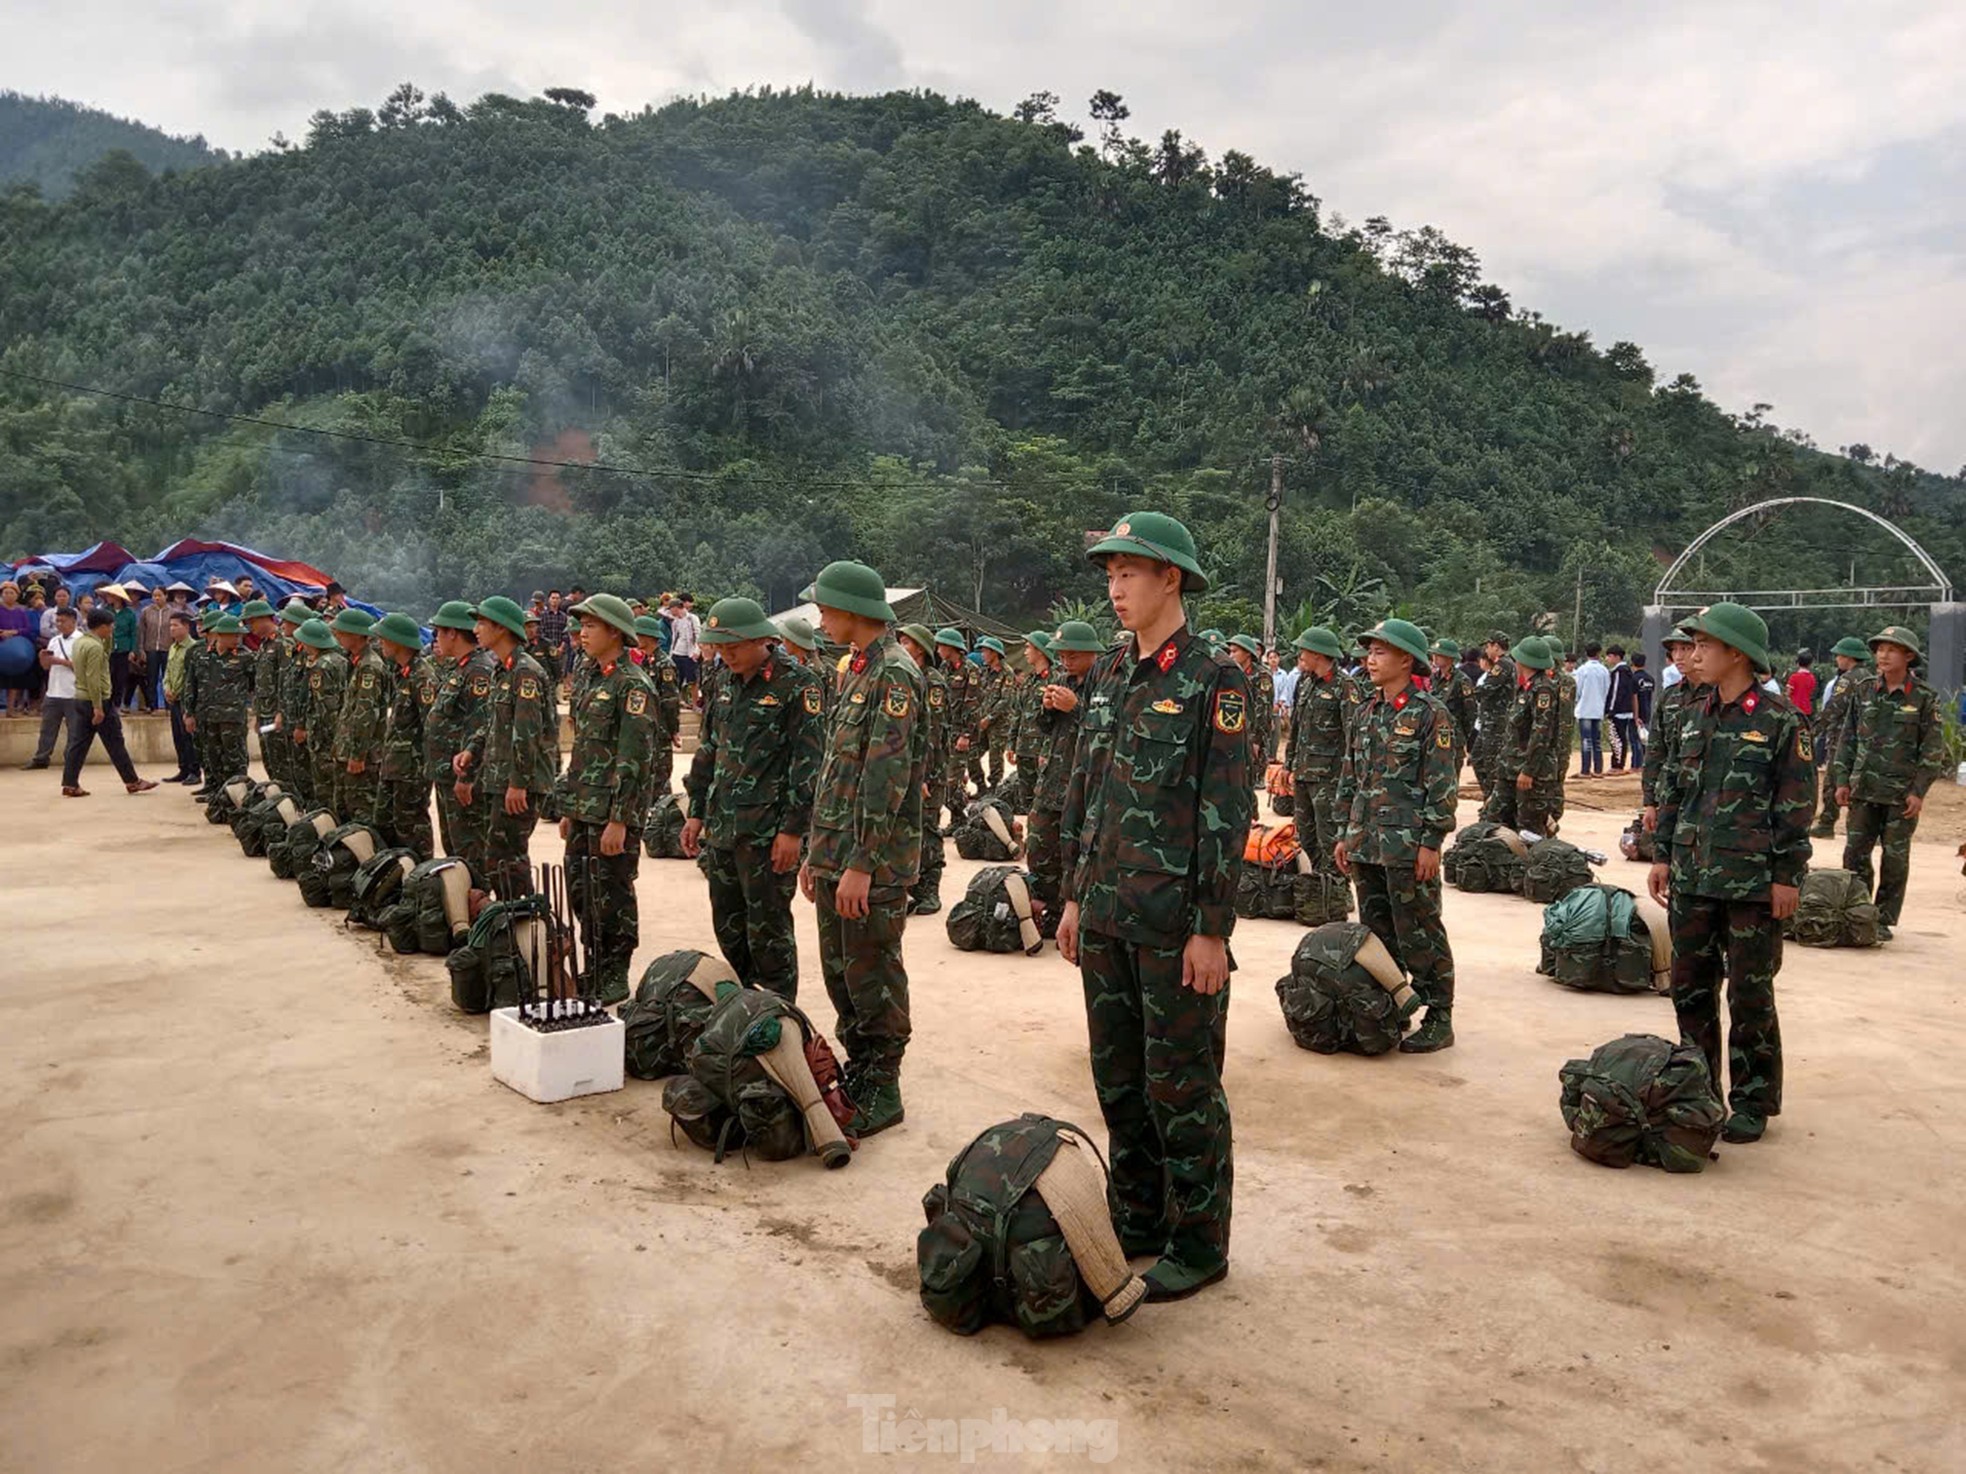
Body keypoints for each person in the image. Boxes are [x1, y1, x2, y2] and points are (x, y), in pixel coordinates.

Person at [1056, 512, 1249, 1304]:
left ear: (1171, 578)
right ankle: (1137, 1217)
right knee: (1120, 1080)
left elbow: (1225, 811)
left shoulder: (1214, 679)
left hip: (1174, 925)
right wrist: (1072, 895)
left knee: (1184, 1086)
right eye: (1109, 573)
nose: (1115, 585)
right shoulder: (1106, 675)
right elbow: (1088, 794)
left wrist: (1211, 927)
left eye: (1130, 571)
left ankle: (1200, 1242)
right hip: (1105, 914)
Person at [1650, 602, 1814, 1144]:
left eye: (1704, 646)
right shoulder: (1692, 713)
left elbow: (1795, 807)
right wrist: (1663, 854)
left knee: (1749, 993)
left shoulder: (1780, 720)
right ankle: (1700, 1088)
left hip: (1751, 883)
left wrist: (1787, 875)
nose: (1692, 655)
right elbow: (1675, 789)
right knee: (1691, 989)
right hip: (1693, 877)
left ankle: (1753, 1099)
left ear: (1736, 652)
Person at [797, 562, 928, 1138]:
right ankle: (861, 1070)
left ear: (854, 608)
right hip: (838, 857)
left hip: (870, 865)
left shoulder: (895, 675)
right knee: (840, 973)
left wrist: (859, 865)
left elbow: (885, 780)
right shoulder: (855, 669)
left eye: (826, 606)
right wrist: (817, 854)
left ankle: (885, 1083)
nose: (820, 617)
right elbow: (836, 776)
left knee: (872, 972)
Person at [682, 597, 823, 997]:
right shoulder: (722, 681)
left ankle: (778, 1012)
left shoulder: (798, 684)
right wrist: (695, 812)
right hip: (724, 828)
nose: (726, 655)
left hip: (767, 834)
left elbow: (808, 762)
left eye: (734, 647)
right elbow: (708, 749)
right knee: (727, 924)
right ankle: (746, 1006)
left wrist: (794, 831)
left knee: (770, 933)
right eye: (720, 647)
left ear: (762, 639)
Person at [1335, 619, 1461, 1053]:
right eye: (1369, 651)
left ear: (1407, 659)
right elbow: (1350, 777)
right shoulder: (1365, 711)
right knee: (1376, 932)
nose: (1369, 659)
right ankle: (1392, 1004)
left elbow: (1442, 783)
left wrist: (1432, 841)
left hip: (1408, 847)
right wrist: (1344, 834)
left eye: (1380, 652)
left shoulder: (1431, 714)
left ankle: (1439, 1016)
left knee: (1420, 931)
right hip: (1367, 842)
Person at [542, 595, 656, 1003]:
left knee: (613, 894)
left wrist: (620, 820)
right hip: (585, 808)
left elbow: (634, 761)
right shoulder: (589, 676)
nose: (582, 633)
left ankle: (614, 971)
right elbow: (582, 752)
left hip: (612, 813)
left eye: (591, 626)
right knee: (581, 890)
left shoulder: (633, 684)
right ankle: (595, 963)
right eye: (581, 626)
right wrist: (570, 808)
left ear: (614, 632)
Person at [1832, 626, 1945, 942]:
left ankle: (1882, 919)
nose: (1882, 655)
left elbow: (1932, 750)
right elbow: (1848, 738)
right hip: (1863, 791)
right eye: (1879, 649)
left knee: (1895, 860)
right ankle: (1856, 911)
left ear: (1908, 656)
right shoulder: (1865, 690)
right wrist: (1841, 780)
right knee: (1854, 855)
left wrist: (1919, 791)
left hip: (1899, 796)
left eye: (1891, 649)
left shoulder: (1924, 698)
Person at [458, 596, 559, 899]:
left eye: (482, 623)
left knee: (507, 858)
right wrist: (472, 751)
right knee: (499, 857)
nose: (475, 629)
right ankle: (508, 924)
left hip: (517, 783)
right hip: (499, 778)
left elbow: (526, 734)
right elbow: (493, 724)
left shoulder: (525, 672)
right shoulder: (502, 670)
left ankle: (524, 928)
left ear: (500, 628)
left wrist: (518, 783)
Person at [1283, 625, 1359, 882]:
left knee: (1329, 835)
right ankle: (1318, 886)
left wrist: (1351, 776)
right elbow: (1296, 726)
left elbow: (1353, 736)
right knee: (1305, 834)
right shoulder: (1306, 682)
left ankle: (1336, 888)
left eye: (1304, 650)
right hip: (1303, 771)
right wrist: (1288, 764)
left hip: (1329, 776)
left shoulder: (1345, 686)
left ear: (1318, 653)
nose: (1300, 655)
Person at [426, 601, 494, 880]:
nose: (436, 639)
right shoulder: (460, 668)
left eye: (439, 632)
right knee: (455, 849)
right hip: (446, 773)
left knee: (470, 849)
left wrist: (466, 776)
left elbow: (479, 726)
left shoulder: (478, 671)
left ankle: (477, 908)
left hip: (462, 776)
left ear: (453, 633)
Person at [61, 608, 157, 797]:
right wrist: (98, 707)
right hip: (97, 701)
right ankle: (132, 781)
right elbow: (93, 678)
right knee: (115, 742)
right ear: (102, 626)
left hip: (80, 698)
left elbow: (105, 653)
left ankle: (70, 783)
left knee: (78, 743)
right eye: (111, 627)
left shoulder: (81, 642)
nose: (112, 630)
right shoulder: (94, 647)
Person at [367, 613, 436, 859]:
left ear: (397, 641)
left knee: (412, 826)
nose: (380, 644)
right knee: (383, 822)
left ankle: (422, 875)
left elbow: (432, 725)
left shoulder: (422, 676)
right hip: (394, 764)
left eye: (384, 639)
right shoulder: (402, 672)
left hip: (412, 768)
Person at [1481, 635, 1565, 836]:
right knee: (1494, 822)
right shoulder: (1524, 688)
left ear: (1525, 661)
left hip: (1529, 773)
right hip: (1510, 770)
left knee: (1529, 830)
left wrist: (1529, 770)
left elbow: (1541, 732)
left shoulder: (1543, 689)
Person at [894, 624, 950, 916]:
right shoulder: (909, 675)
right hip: (912, 769)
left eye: (907, 641)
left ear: (921, 648)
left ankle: (931, 892)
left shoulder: (933, 682)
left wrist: (924, 776)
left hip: (931, 771)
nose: (902, 644)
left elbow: (932, 733)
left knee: (928, 830)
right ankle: (914, 888)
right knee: (909, 830)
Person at [330, 609, 388, 826]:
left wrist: (358, 753)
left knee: (361, 812)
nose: (337, 635)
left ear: (356, 634)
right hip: (347, 750)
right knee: (344, 808)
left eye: (342, 632)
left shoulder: (369, 667)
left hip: (362, 755)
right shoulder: (354, 662)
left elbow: (366, 714)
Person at [183, 612, 254, 786]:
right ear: (219, 634)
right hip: (207, 715)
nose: (237, 639)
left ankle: (238, 793)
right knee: (211, 755)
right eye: (233, 635)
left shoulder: (246, 657)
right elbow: (191, 684)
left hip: (232, 717)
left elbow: (254, 684)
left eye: (239, 635)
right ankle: (217, 791)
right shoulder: (201, 655)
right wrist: (189, 712)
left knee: (235, 757)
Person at [1810, 637, 1871, 838]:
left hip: (1841, 737)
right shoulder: (1870, 678)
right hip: (1863, 739)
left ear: (1848, 658)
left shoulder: (1848, 679)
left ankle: (1827, 824)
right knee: (1860, 782)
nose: (1837, 659)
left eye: (1839, 655)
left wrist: (1813, 731)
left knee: (1833, 781)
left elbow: (1834, 708)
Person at [1641, 628, 1699, 833]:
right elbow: (1655, 751)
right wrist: (1650, 802)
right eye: (1675, 650)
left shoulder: (1718, 697)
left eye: (1686, 648)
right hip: (1670, 796)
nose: (1678, 656)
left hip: (1702, 800)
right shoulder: (1668, 697)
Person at [293, 618, 349, 812]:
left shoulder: (320, 667)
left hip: (324, 736)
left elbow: (324, 706)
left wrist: (323, 736)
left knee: (325, 788)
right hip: (340, 732)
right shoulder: (340, 660)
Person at [629, 615, 683, 798]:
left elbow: (670, 700)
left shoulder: (664, 664)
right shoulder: (646, 661)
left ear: (647, 636)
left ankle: (664, 818)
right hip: (647, 727)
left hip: (661, 729)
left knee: (661, 775)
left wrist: (673, 729)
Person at [23, 603, 80, 771]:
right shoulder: (54, 640)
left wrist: (58, 661)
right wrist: (43, 658)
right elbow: (46, 667)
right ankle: (41, 758)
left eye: (63, 621)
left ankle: (72, 760)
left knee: (74, 730)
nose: (59, 624)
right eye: (58, 621)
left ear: (73, 621)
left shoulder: (81, 641)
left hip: (73, 692)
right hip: (53, 691)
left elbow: (81, 667)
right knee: (47, 728)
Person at [934, 628, 978, 827]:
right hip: (943, 731)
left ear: (952, 647)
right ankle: (957, 819)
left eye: (942, 645)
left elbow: (973, 704)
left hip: (960, 732)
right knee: (943, 779)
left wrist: (966, 735)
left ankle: (960, 818)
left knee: (952, 781)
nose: (938, 649)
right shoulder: (944, 668)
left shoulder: (970, 670)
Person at [1470, 629, 1517, 798]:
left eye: (1488, 646)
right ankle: (1489, 796)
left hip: (1496, 721)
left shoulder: (1503, 665)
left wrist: (1469, 693)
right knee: (1477, 757)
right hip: (1489, 721)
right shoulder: (1503, 664)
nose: (1486, 651)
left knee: (1491, 763)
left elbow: (1488, 688)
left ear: (1496, 647)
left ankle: (1493, 801)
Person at [160, 611, 200, 785]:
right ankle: (183, 769)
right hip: (172, 699)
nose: (172, 629)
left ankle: (194, 771)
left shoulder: (193, 648)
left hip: (186, 698)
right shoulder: (173, 647)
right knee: (178, 735)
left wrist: (180, 692)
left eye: (175, 625)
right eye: (170, 625)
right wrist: (167, 688)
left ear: (186, 626)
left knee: (189, 735)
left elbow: (192, 677)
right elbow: (168, 671)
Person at [1428, 638, 1478, 772]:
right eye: (1434, 654)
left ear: (1450, 658)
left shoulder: (1462, 681)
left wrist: (1462, 735)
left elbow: (1471, 712)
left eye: (1439, 655)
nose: (1435, 658)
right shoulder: (1434, 678)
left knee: (1450, 777)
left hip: (1453, 736)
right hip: (1433, 735)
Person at [1227, 636, 1275, 774]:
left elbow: (1264, 710)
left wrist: (1256, 741)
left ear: (1248, 653)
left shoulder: (1262, 676)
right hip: (1236, 734)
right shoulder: (1234, 674)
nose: (1231, 655)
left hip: (1253, 735)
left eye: (1235, 651)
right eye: (1230, 652)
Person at [971, 635, 1011, 790]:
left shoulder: (1006, 673)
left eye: (985, 651)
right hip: (981, 722)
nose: (982, 655)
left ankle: (994, 789)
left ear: (994, 653)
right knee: (972, 754)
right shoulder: (983, 672)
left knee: (995, 758)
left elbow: (1006, 700)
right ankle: (980, 786)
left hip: (998, 724)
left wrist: (989, 718)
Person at [138, 584, 174, 711]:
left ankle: (169, 706)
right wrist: (141, 649)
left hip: (167, 649)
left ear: (166, 596)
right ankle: (152, 705)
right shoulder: (146, 612)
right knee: (151, 678)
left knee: (167, 678)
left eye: (159, 595)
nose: (157, 598)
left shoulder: (172, 612)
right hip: (151, 649)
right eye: (154, 596)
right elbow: (141, 631)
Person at [667, 593, 703, 696]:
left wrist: (697, 650)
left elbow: (698, 634)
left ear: (676, 608)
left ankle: (695, 704)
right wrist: (671, 654)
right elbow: (674, 638)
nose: (670, 611)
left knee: (693, 680)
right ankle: (678, 702)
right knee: (676, 679)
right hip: (677, 652)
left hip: (690, 653)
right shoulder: (674, 622)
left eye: (671, 609)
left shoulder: (692, 619)